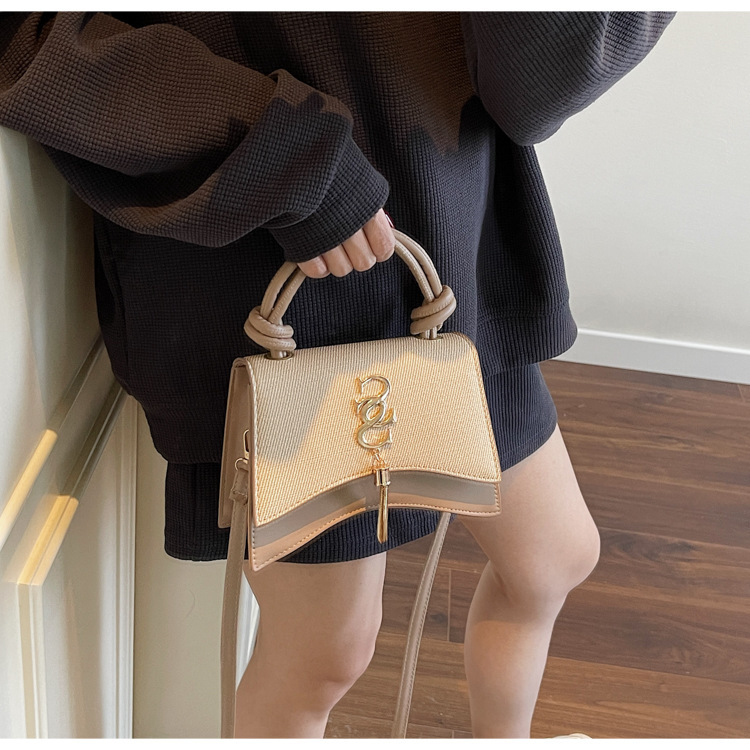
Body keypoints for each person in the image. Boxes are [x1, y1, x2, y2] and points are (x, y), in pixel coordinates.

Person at [0, 11, 675, 738]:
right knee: (324, 652)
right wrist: (286, 157)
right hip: (279, 280)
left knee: (554, 559)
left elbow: (535, 87)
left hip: (450, 244)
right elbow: (27, 38)